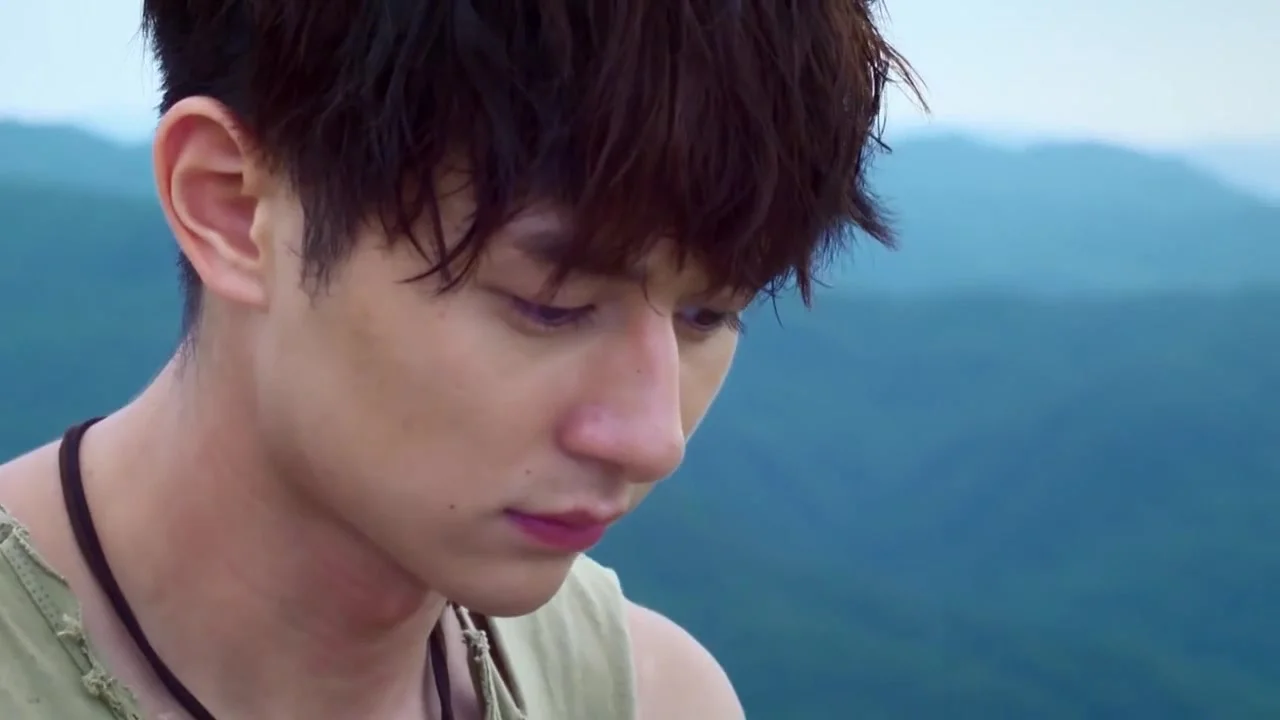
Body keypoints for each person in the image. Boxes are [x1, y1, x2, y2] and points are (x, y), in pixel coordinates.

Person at [0, 1, 918, 718]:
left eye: (711, 313)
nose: (654, 438)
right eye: (550, 303)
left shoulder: (649, 697)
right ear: (235, 209)